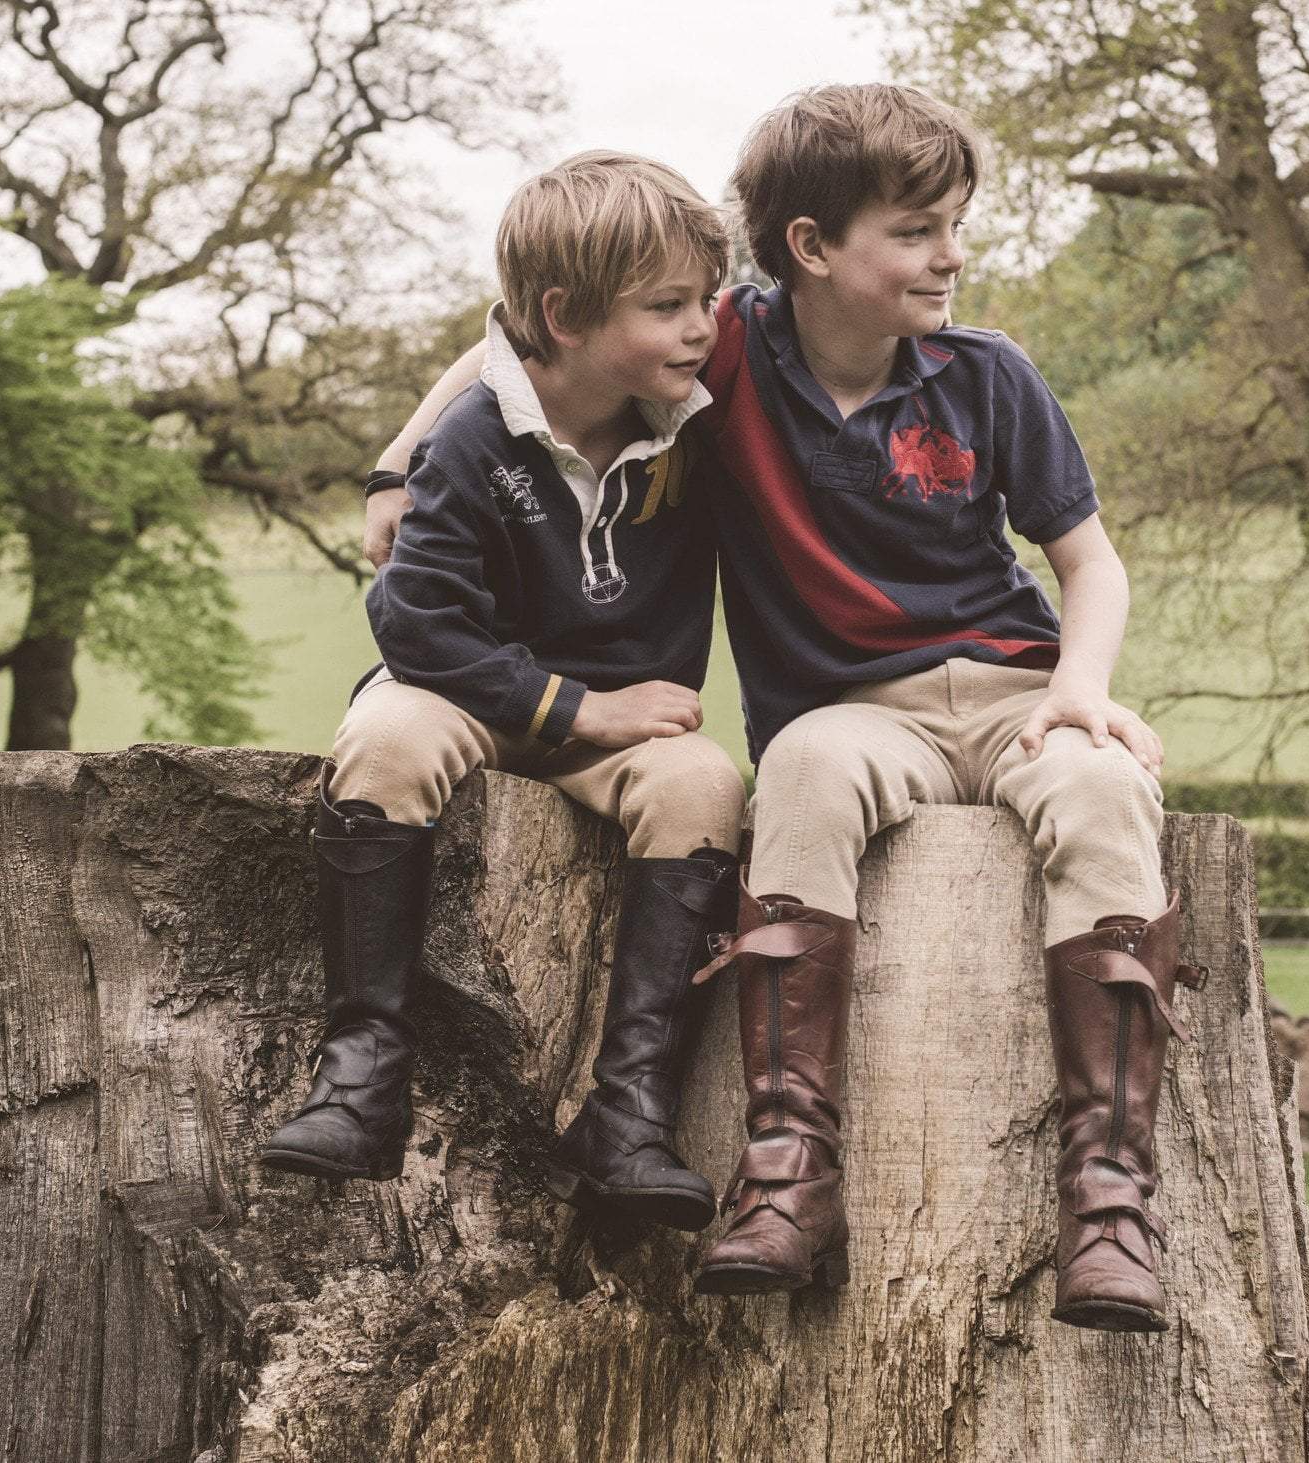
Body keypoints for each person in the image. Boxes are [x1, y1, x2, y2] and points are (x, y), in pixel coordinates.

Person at [366, 86, 1196, 1334]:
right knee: (796, 775)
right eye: (915, 231)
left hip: (1019, 686)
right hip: (850, 710)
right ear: (810, 249)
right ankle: (790, 1172)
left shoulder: (987, 373)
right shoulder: (725, 351)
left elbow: (1088, 559)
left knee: (1102, 792)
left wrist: (1081, 691)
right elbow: (522, 345)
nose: (950, 254)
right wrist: (399, 463)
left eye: (953, 224)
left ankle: (1111, 1199)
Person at [261, 153, 747, 1239]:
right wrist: (578, 710)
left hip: (622, 713)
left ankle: (625, 1116)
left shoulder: (696, 421)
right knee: (384, 739)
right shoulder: (480, 435)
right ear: (564, 317)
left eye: (702, 301)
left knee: (702, 784)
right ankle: (360, 1077)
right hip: (464, 685)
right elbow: (417, 626)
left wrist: (605, 717)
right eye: (667, 306)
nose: (699, 327)